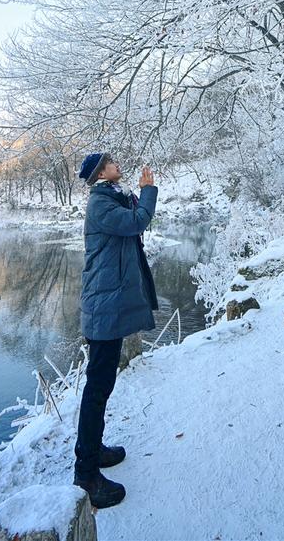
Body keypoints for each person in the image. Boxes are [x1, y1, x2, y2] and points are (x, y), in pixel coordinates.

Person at [73, 152, 159, 508]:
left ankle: (96, 451)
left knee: (103, 385)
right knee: (96, 390)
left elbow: (133, 216)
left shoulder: (110, 200)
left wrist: (136, 194)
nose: (117, 163)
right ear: (101, 174)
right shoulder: (100, 205)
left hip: (109, 307)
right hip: (102, 309)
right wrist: (148, 190)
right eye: (111, 162)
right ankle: (86, 473)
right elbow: (137, 222)